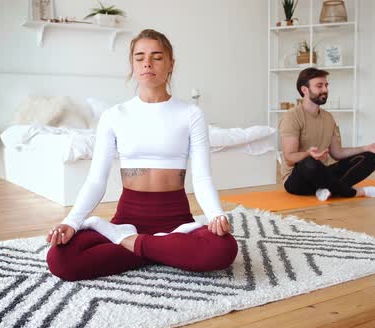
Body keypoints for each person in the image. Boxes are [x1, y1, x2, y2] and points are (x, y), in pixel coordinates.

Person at [45, 29, 238, 281]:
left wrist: (215, 215)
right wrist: (71, 222)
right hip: (127, 219)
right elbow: (96, 181)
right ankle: (160, 249)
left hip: (176, 220)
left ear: (171, 64)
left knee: (224, 249)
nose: (147, 62)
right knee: (60, 259)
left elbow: (202, 178)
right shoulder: (114, 116)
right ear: (132, 65)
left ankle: (134, 245)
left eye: (157, 57)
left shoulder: (190, 114)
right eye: (139, 57)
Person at [279, 67, 375, 201]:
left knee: (372, 158)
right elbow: (290, 157)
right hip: (297, 180)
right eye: (319, 86)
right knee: (309, 163)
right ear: (304, 90)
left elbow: (337, 153)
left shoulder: (328, 118)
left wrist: (367, 148)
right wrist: (309, 153)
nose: (325, 90)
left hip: (322, 174)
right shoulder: (292, 116)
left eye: (326, 85)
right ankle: (354, 192)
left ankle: (325, 189)